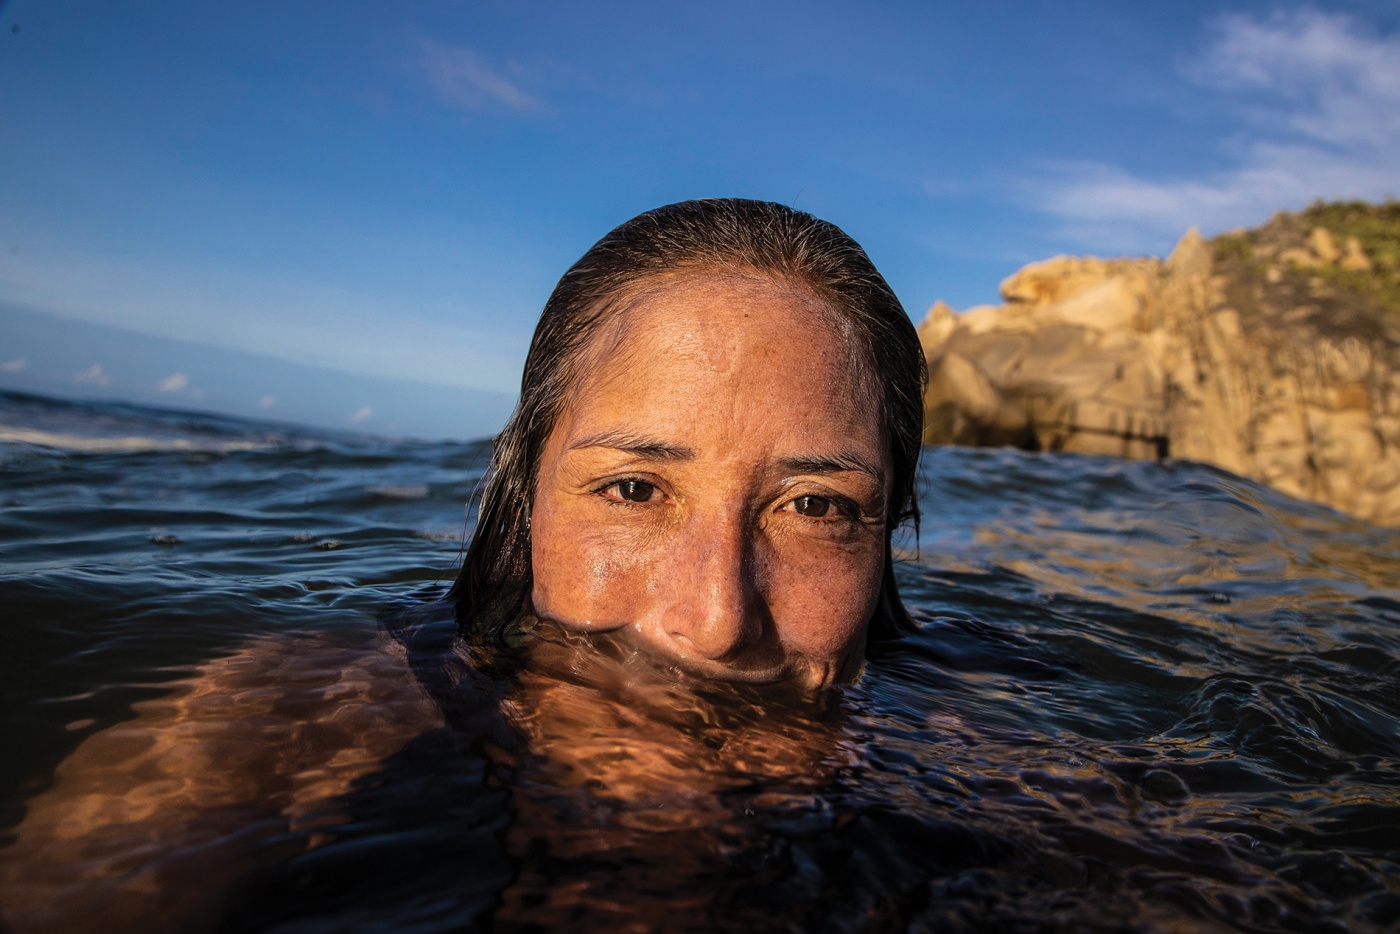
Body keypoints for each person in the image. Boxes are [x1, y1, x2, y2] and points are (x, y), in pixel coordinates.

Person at [452, 198, 927, 691]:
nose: (719, 626)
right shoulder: (373, 727)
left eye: (814, 506)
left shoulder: (994, 744)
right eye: (633, 490)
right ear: (525, 498)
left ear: (887, 528)